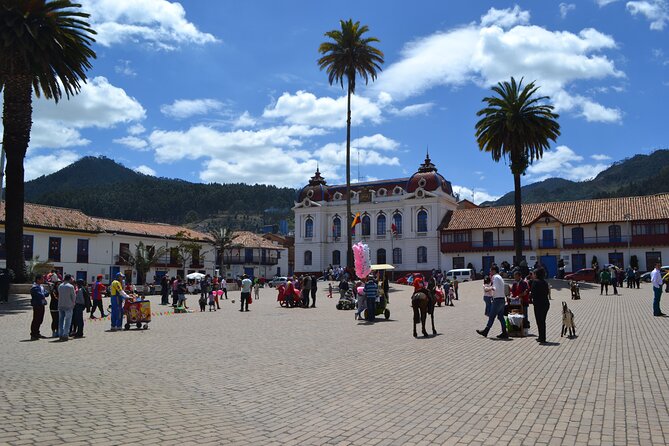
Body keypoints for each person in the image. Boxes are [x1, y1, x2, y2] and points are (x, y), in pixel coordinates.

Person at [476, 265, 508, 339]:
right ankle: (504, 332)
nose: (490, 272)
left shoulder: (495, 277)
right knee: (500, 316)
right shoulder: (500, 277)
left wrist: (487, 289)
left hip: (497, 299)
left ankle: (486, 331)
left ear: (494, 271)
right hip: (502, 299)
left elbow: (494, 288)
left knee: (492, 316)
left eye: (491, 271)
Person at [531, 268, 551, 343]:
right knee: (543, 321)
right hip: (545, 303)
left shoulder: (535, 282)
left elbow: (533, 293)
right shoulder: (545, 282)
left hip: (538, 304)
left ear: (536, 274)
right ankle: (542, 337)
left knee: (539, 321)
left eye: (534, 274)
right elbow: (547, 292)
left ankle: (542, 338)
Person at [57, 275, 76, 341]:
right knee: (68, 321)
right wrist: (73, 303)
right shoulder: (71, 286)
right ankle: (65, 335)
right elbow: (73, 296)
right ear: (70, 279)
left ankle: (60, 334)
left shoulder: (60, 286)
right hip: (68, 305)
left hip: (60, 304)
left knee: (61, 320)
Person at [30, 274, 48, 340]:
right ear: (38, 280)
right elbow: (40, 295)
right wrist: (43, 294)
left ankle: (37, 332)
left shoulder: (41, 286)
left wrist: (44, 294)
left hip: (42, 304)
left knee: (40, 319)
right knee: (36, 319)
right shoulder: (34, 287)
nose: (43, 280)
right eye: (42, 279)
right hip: (37, 305)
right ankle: (33, 334)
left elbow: (47, 293)